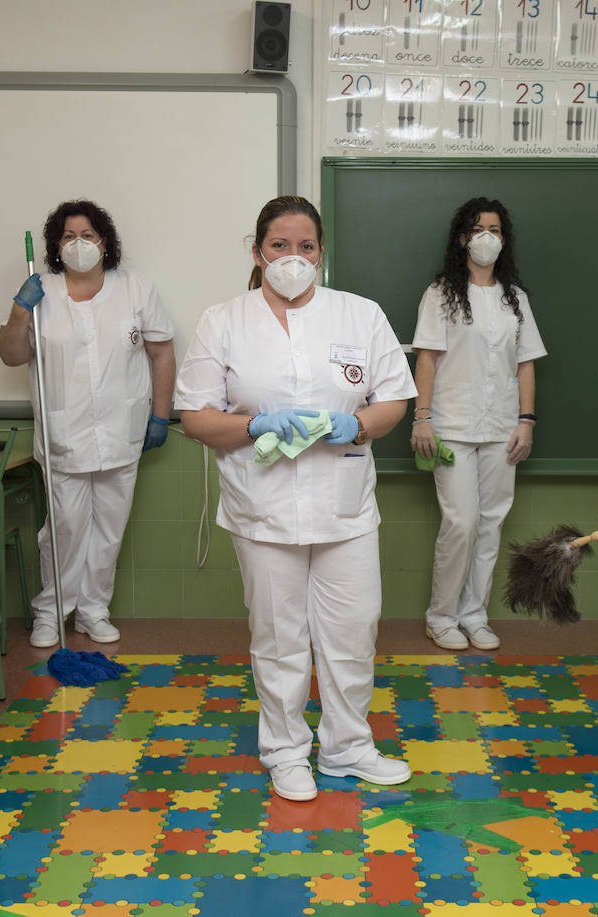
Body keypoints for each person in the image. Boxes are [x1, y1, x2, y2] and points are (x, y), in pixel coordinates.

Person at [175, 195, 417, 802]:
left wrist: (355, 425)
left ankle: (346, 747)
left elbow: (393, 401)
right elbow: (195, 417)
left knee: (352, 632)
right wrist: (253, 427)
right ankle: (286, 751)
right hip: (262, 508)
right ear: (258, 253)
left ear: (321, 253)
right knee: (280, 638)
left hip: (346, 506)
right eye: (279, 246)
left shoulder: (360, 315)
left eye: (305, 246)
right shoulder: (223, 320)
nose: (293, 257)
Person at [0, 199, 176, 649]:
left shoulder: (136, 287)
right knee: (65, 527)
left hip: (124, 429)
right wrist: (20, 311)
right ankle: (51, 610)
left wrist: (160, 413)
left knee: (110, 527)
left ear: (105, 242)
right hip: (65, 435)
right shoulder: (42, 293)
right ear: (56, 247)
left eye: (88, 235)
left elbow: (162, 352)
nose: (80, 244)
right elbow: (11, 355)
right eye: (69, 236)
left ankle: (94, 611)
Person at [410, 198, 547, 652]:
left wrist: (526, 421)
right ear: (462, 237)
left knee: (491, 525)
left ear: (503, 239)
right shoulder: (440, 293)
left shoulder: (516, 298)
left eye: (495, 229)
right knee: (462, 522)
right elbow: (427, 357)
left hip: (502, 428)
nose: (486, 237)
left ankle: (474, 614)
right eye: (477, 229)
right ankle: (442, 615)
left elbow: (526, 363)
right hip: (451, 425)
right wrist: (422, 418)